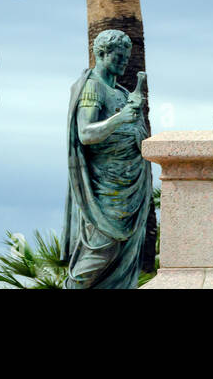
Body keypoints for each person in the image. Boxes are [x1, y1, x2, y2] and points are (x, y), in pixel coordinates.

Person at [62, 29, 151, 288]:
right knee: (101, 252)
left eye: (126, 57)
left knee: (124, 259)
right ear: (101, 54)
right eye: (119, 57)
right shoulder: (93, 88)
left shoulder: (123, 93)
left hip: (130, 188)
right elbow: (86, 133)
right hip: (105, 192)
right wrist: (121, 118)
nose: (124, 62)